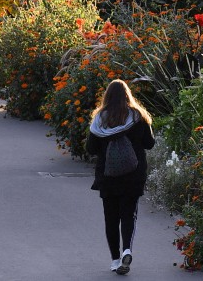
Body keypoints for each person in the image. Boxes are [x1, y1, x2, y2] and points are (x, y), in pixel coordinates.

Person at [85, 79, 155, 275]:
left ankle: (115, 260)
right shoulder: (138, 117)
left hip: (108, 176)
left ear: (107, 96)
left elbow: (91, 148)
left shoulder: (100, 120)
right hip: (133, 175)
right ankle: (127, 250)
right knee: (129, 215)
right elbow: (149, 144)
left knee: (111, 218)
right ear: (127, 95)